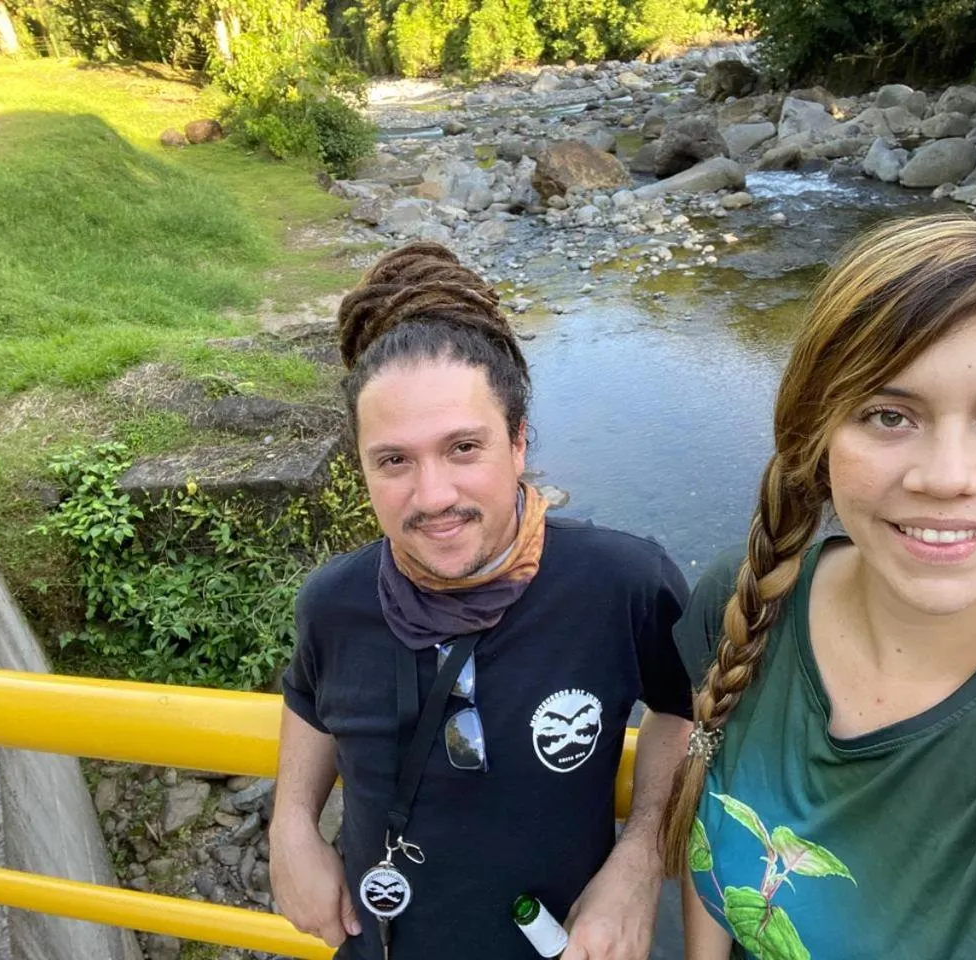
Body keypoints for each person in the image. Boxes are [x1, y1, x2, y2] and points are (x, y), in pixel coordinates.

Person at [661, 214, 976, 960]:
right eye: (888, 415)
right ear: (817, 438)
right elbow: (712, 841)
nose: (946, 478)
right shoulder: (746, 600)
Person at [268, 241, 694, 960]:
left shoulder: (622, 583)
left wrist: (642, 855)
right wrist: (290, 824)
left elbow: (687, 710)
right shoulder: (333, 602)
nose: (432, 498)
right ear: (362, 467)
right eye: (394, 460)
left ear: (520, 441)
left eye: (463, 448)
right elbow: (307, 700)